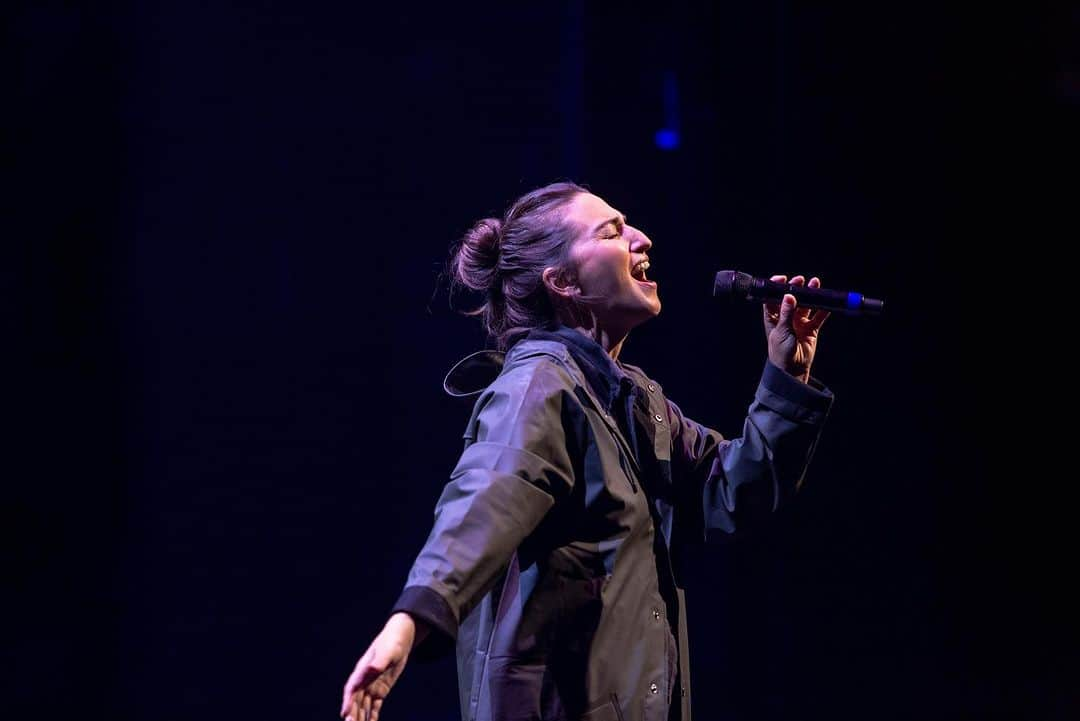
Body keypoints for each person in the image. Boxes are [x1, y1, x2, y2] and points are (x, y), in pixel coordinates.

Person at [340, 181, 834, 721]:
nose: (641, 239)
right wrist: (410, 620)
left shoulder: (635, 400)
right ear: (563, 281)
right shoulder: (539, 387)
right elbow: (484, 501)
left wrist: (788, 373)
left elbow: (735, 490)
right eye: (612, 231)